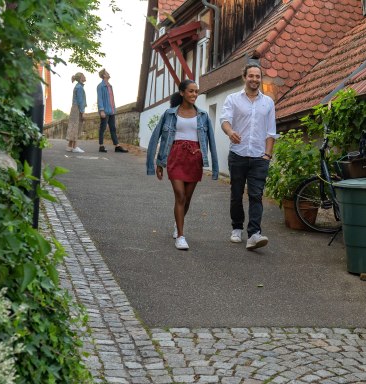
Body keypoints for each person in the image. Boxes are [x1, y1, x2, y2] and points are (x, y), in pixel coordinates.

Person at [146, 80, 219, 250]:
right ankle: (181, 235)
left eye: (196, 92)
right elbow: (156, 137)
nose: (194, 95)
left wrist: (212, 165)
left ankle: (177, 224)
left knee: (186, 199)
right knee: (179, 195)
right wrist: (158, 162)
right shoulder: (170, 114)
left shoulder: (203, 115)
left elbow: (212, 142)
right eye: (191, 91)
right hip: (175, 156)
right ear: (182, 93)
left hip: (194, 158)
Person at [220, 62, 278, 250]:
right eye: (251, 76)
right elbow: (225, 120)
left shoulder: (268, 102)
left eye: (257, 76)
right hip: (238, 154)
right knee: (236, 194)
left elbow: (271, 131)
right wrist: (230, 132)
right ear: (244, 77)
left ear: (261, 79)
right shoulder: (233, 99)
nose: (254, 79)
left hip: (259, 157)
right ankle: (236, 228)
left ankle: (254, 234)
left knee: (256, 195)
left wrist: (268, 155)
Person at [96, 68, 128, 153]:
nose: (108, 73)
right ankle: (101, 146)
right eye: (107, 73)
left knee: (113, 128)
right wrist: (101, 110)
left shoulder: (110, 86)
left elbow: (111, 99)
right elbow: (100, 99)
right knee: (102, 128)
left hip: (112, 111)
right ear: (104, 75)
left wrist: (114, 109)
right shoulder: (100, 86)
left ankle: (117, 146)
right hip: (105, 111)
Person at [65, 72, 86, 153]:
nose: (85, 77)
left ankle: (70, 146)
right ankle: (75, 147)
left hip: (74, 108)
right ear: (81, 78)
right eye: (83, 76)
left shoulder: (77, 86)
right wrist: (83, 112)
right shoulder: (80, 87)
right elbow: (80, 101)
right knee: (76, 127)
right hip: (77, 108)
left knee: (73, 126)